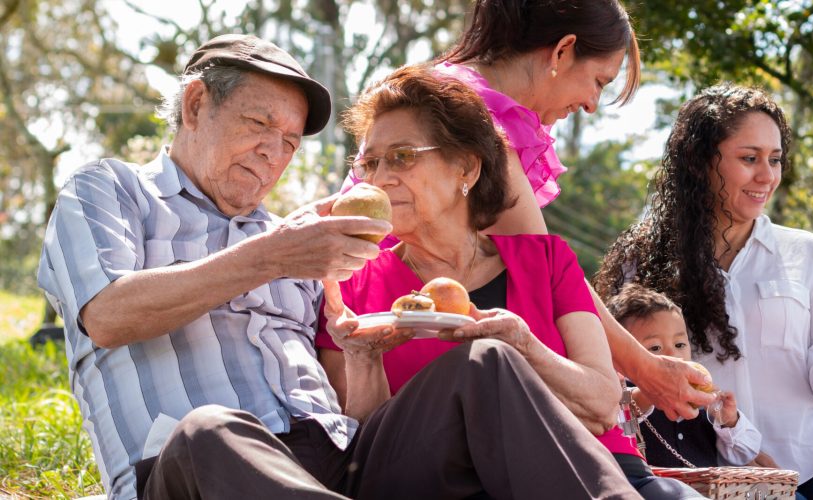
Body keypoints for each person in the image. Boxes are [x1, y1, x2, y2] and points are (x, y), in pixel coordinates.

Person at [37, 34, 635, 500]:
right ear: (196, 104)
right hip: (200, 471)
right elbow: (108, 315)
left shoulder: (296, 240)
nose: (275, 152)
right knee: (208, 431)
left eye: (291, 141)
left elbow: (356, 410)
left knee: (486, 362)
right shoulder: (111, 190)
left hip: (341, 464)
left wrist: (361, 355)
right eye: (258, 125)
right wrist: (267, 257)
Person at [316, 65, 701, 499]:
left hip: (603, 468)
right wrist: (363, 360)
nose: (380, 177)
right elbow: (374, 453)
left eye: (402, 156)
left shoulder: (548, 260)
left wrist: (525, 346)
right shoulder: (351, 283)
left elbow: (602, 403)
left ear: (466, 168)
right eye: (369, 162)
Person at [344, 0, 717, 421]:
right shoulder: (471, 115)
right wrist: (647, 369)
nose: (593, 103)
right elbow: (548, 270)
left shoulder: (456, 98)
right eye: (598, 80)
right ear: (562, 51)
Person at [596, 84, 813, 499]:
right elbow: (622, 377)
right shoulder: (645, 261)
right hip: (712, 473)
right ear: (701, 161)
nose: (767, 176)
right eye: (749, 159)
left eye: (775, 160)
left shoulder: (806, 253)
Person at [606, 283, 766, 468]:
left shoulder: (704, 408)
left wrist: (728, 421)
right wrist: (648, 393)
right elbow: (620, 418)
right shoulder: (622, 393)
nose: (673, 355)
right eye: (655, 347)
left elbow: (744, 454)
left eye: (680, 345)